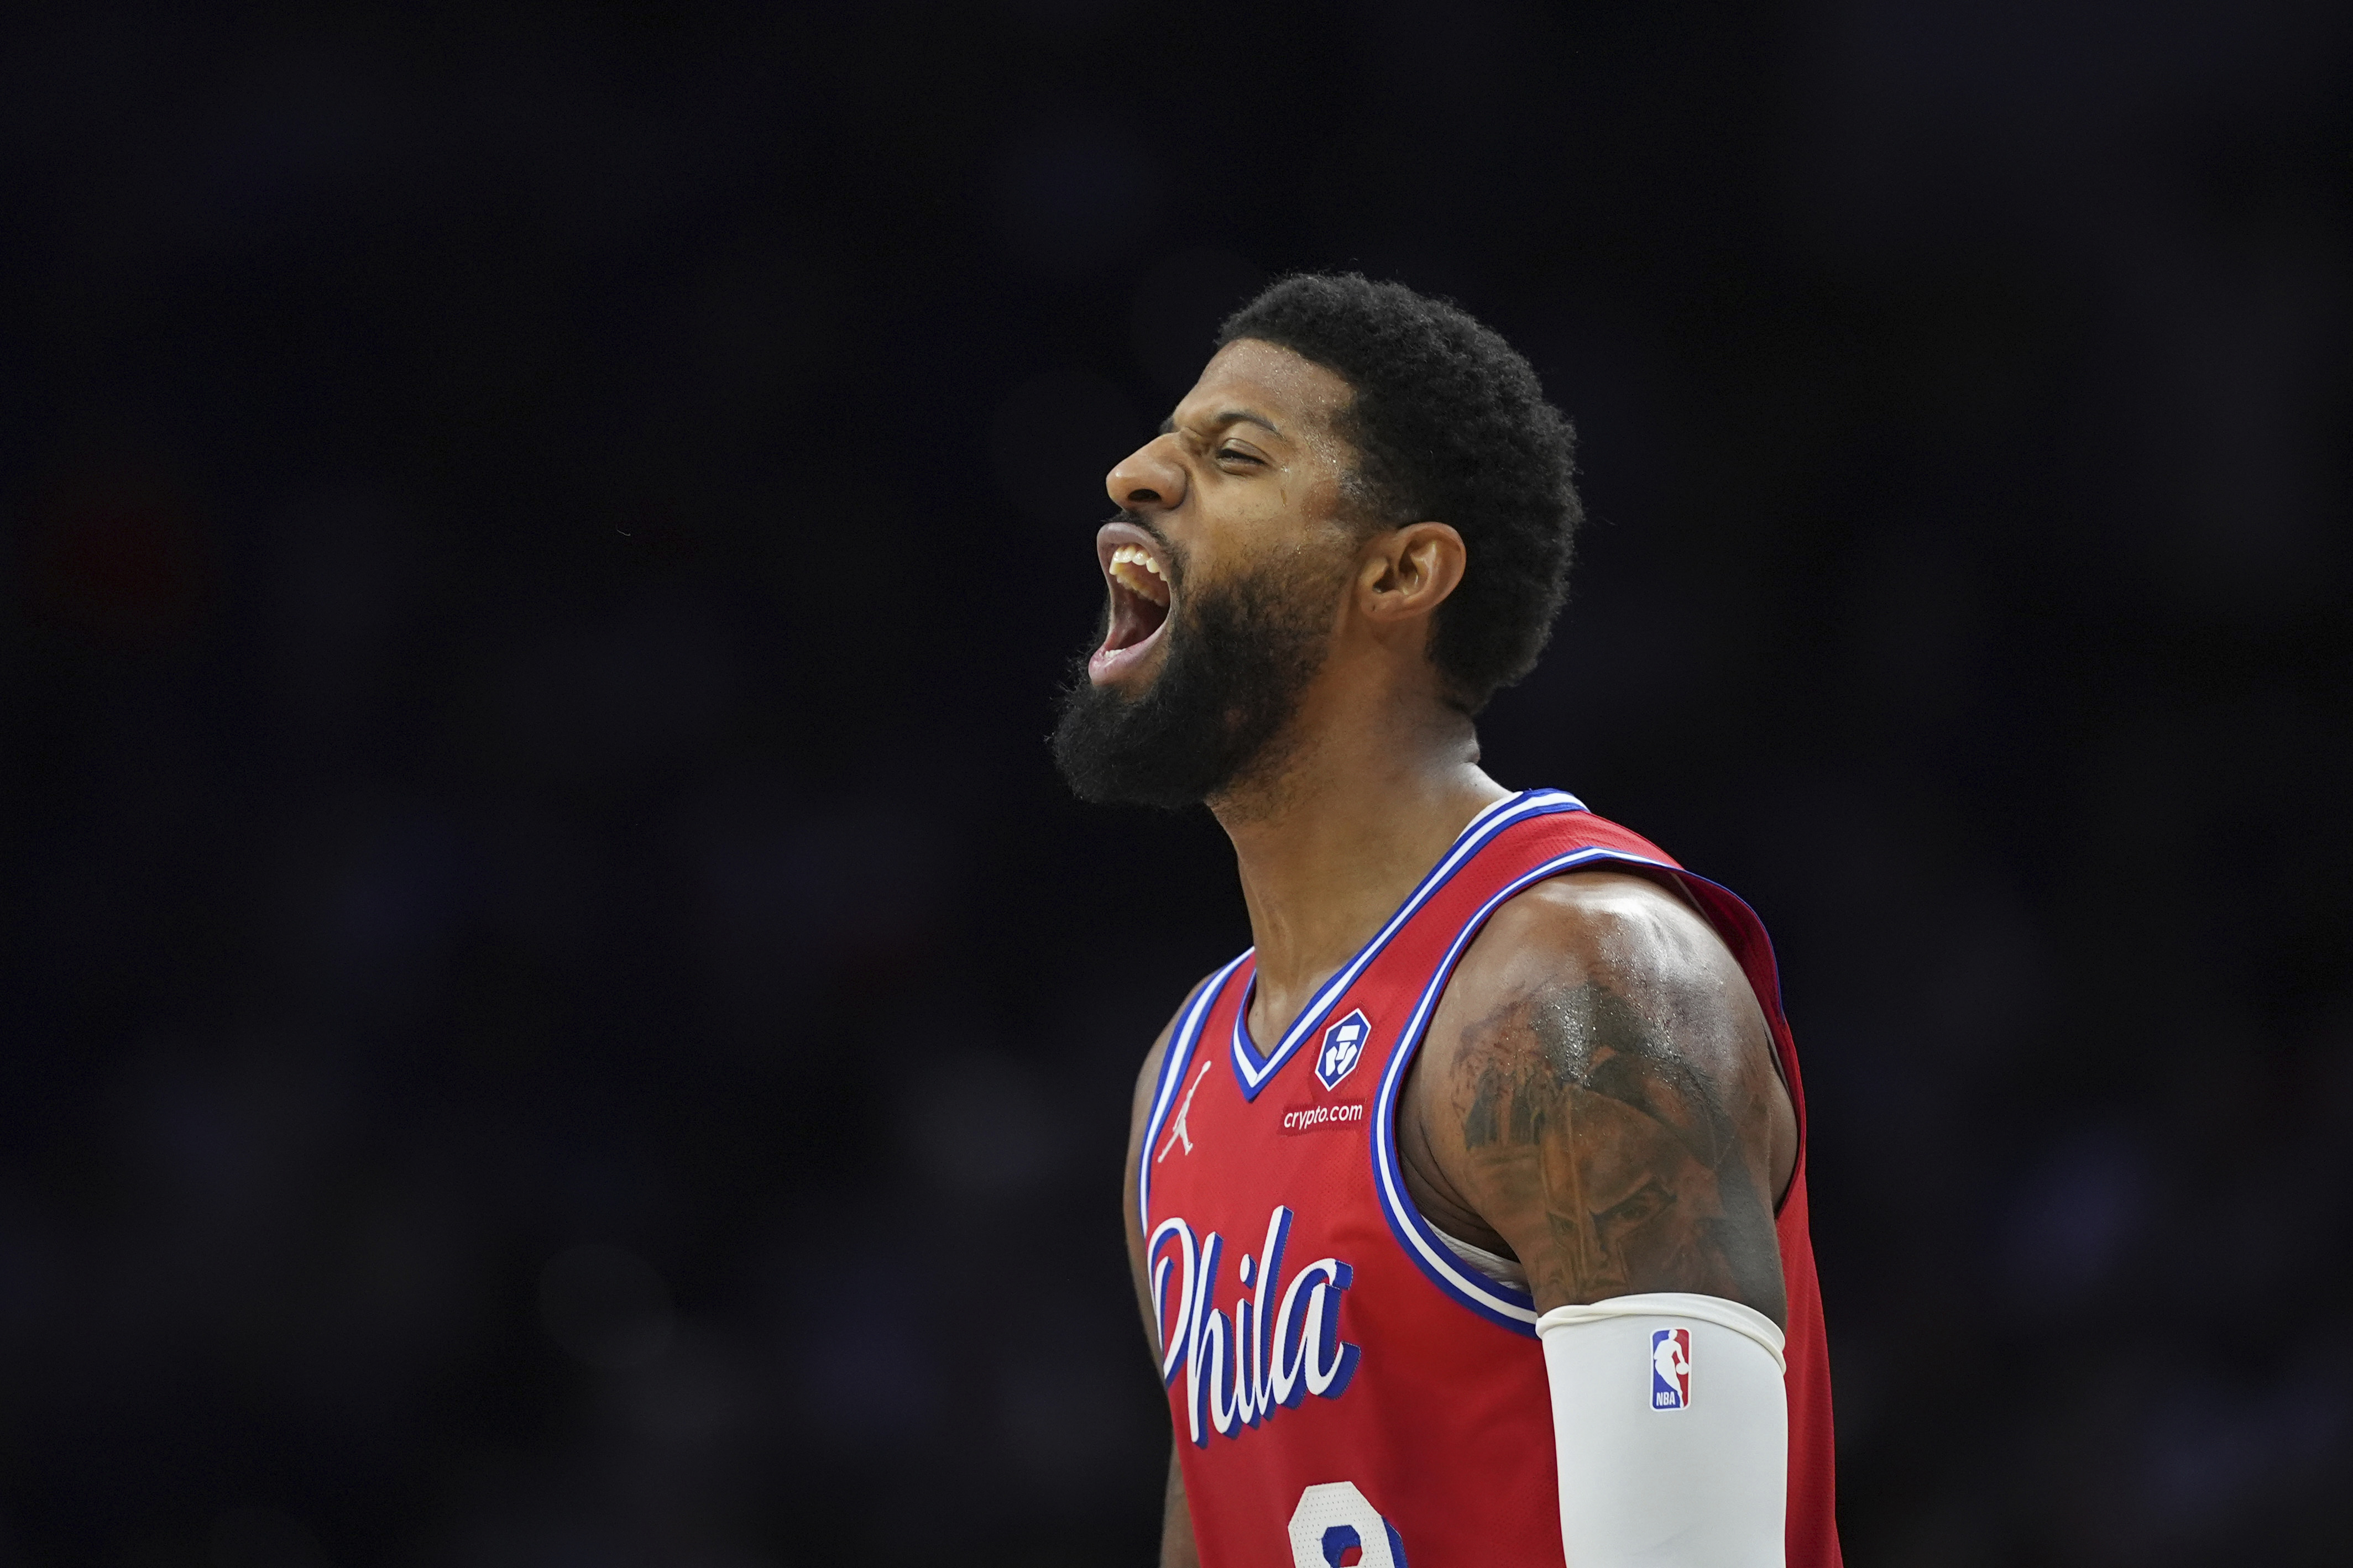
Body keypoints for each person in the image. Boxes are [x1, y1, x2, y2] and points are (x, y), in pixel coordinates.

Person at [1053, 274, 1839, 1567]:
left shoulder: (1577, 989)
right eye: (1163, 439)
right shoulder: (1183, 1077)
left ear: (1404, 570)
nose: (1135, 475)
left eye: (1231, 454)